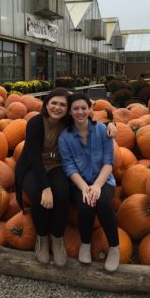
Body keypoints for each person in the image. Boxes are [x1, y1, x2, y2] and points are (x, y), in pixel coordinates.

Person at [15, 88, 117, 268]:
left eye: (62, 104)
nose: (57, 107)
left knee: (62, 194)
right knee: (39, 196)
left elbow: (88, 119)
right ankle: (42, 238)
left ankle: (58, 239)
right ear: (46, 103)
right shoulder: (35, 123)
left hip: (56, 166)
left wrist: (111, 124)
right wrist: (46, 188)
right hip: (33, 167)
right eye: (54, 103)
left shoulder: (68, 121)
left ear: (66, 109)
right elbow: (35, 159)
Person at [58, 92, 120, 272]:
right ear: (70, 112)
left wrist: (96, 186)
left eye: (83, 108)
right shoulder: (65, 138)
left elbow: (109, 163)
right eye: (75, 109)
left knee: (101, 202)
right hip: (80, 183)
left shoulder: (102, 130)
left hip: (103, 180)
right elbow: (69, 168)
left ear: (90, 109)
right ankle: (85, 243)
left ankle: (114, 248)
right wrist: (86, 188)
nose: (80, 112)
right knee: (86, 204)